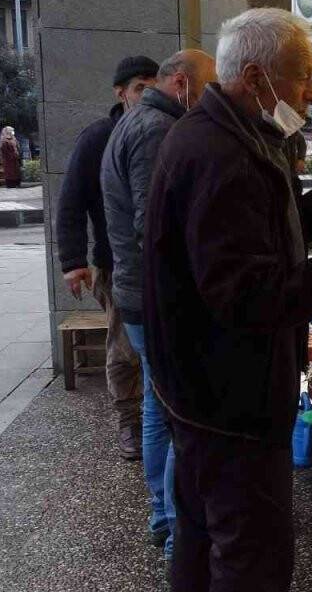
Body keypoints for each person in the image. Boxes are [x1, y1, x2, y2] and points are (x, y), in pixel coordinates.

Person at [142, 7, 312, 592]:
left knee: (200, 534)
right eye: (303, 77)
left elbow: (283, 214)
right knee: (253, 556)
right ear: (254, 77)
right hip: (229, 403)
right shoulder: (218, 156)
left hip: (204, 394)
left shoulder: (241, 134)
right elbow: (245, 294)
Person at [101, 48, 218, 559]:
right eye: (206, 88)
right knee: (176, 413)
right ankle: (173, 527)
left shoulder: (136, 122)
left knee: (158, 406)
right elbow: (156, 226)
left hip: (136, 291)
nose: (208, 100)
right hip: (152, 295)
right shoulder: (153, 131)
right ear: (179, 83)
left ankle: (163, 516)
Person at [56, 55, 158, 461]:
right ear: (121, 93)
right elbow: (70, 202)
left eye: (154, 86)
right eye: (140, 88)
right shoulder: (98, 136)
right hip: (116, 265)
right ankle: (129, 422)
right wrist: (73, 261)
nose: (148, 95)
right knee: (124, 349)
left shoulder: (165, 131)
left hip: (161, 266)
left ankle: (154, 416)